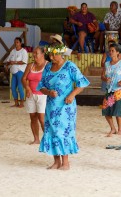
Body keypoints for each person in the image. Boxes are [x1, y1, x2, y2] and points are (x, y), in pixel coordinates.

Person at [36, 42, 90, 170]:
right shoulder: (48, 67)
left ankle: (66, 162)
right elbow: (41, 86)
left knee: (63, 132)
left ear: (61, 53)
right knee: (51, 131)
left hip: (66, 107)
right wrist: (48, 92)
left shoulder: (70, 67)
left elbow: (82, 83)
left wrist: (72, 95)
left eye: (54, 55)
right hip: (51, 107)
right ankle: (56, 162)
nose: (51, 57)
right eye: (50, 54)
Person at [101, 43, 121, 136]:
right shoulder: (106, 64)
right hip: (109, 91)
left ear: (117, 52)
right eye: (110, 51)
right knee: (106, 110)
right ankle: (113, 129)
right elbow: (102, 76)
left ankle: (120, 130)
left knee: (117, 110)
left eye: (113, 51)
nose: (110, 52)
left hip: (120, 91)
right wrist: (105, 79)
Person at [22, 46, 48, 144]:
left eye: (36, 53)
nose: (34, 55)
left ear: (42, 54)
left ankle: (47, 140)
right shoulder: (30, 65)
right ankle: (36, 139)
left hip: (43, 95)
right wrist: (27, 88)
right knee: (33, 117)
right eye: (33, 53)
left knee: (42, 118)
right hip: (31, 95)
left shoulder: (47, 66)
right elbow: (23, 79)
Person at [5, 37, 28, 107]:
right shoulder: (13, 51)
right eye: (15, 42)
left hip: (20, 71)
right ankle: (16, 102)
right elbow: (8, 60)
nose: (16, 43)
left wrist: (14, 62)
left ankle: (22, 103)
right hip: (13, 71)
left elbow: (24, 62)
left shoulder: (23, 51)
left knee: (20, 87)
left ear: (20, 43)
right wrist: (7, 65)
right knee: (13, 87)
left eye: (17, 42)